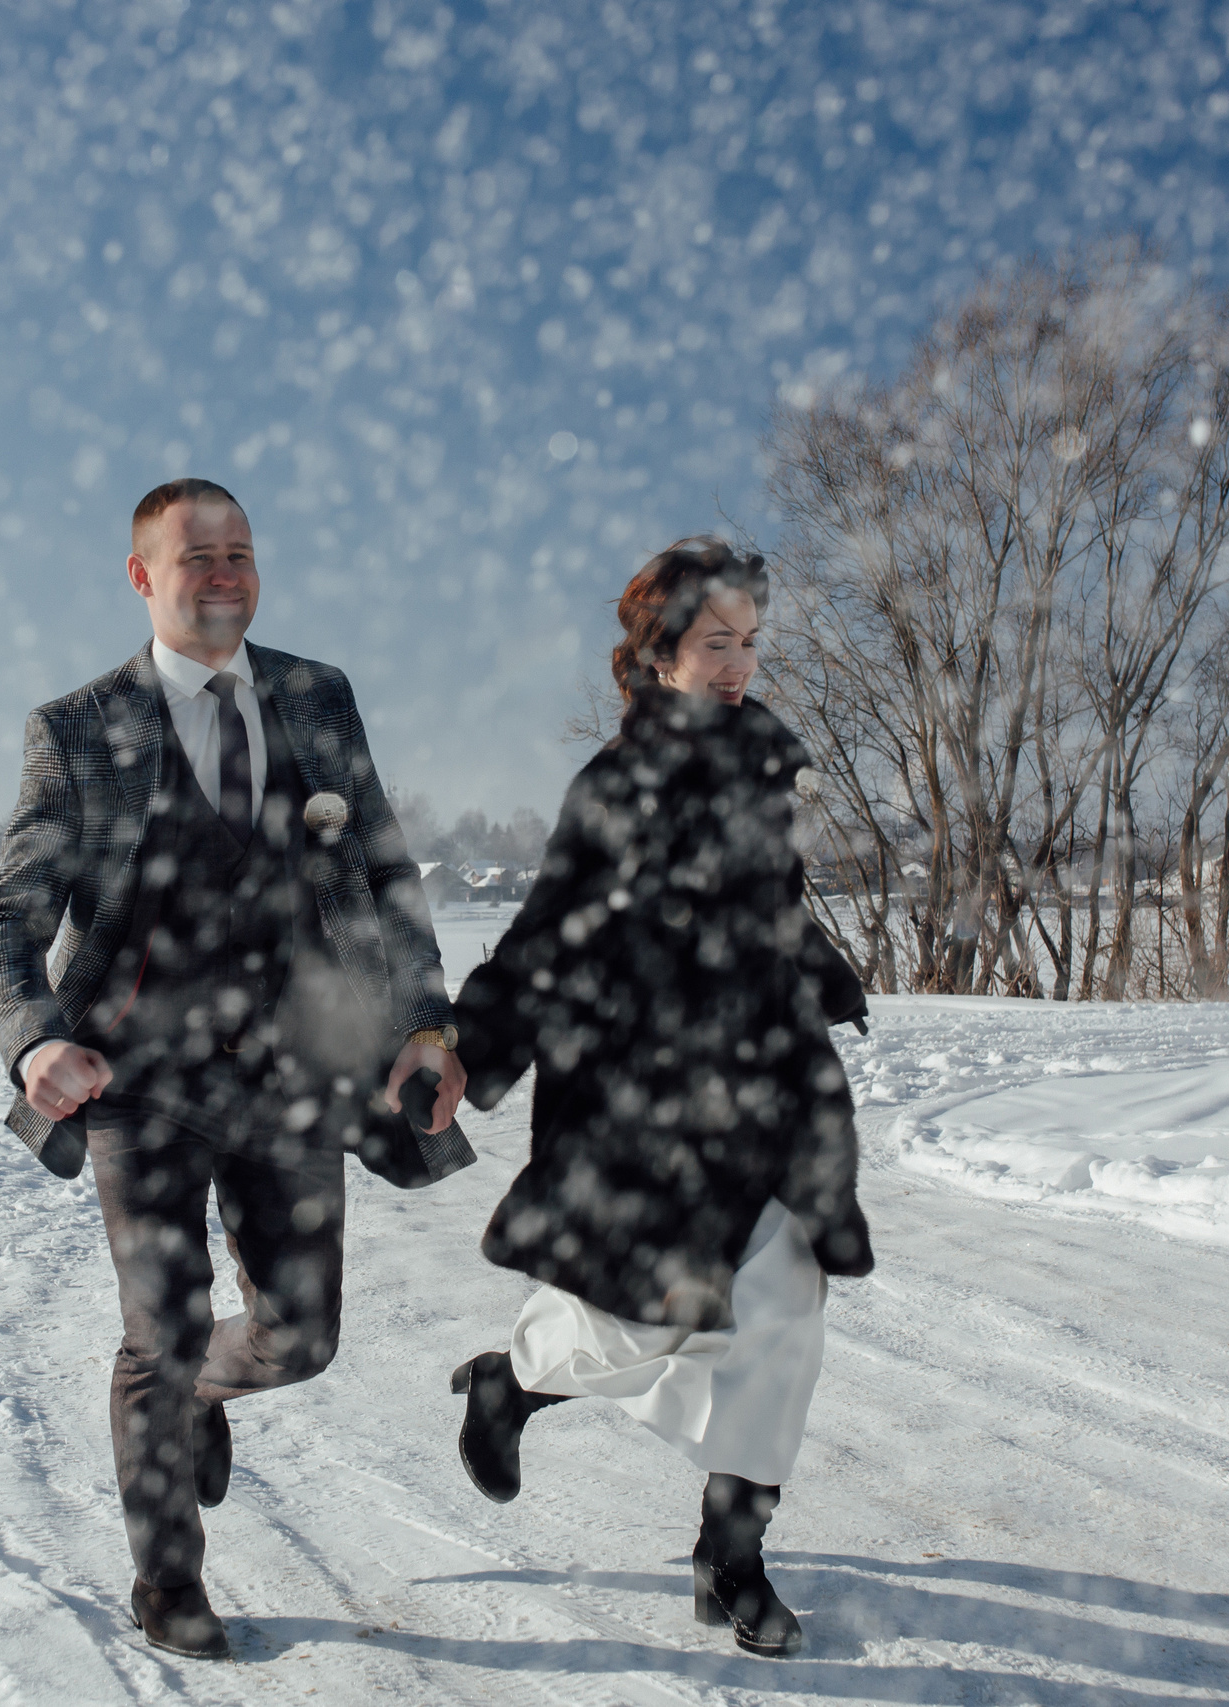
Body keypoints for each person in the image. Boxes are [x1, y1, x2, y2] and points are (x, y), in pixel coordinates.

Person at [0, 478, 473, 1660]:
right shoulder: (79, 727)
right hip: (133, 1080)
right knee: (157, 1328)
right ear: (142, 576)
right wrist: (37, 1036)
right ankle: (167, 1582)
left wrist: (423, 1024)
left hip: (291, 1072)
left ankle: (207, 1390)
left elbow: (386, 876)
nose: (223, 573)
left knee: (300, 1337)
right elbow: (9, 915)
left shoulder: (315, 696)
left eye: (241, 552)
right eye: (195, 556)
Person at [445, 536, 871, 1658]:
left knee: (784, 1320)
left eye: (749, 642)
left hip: (765, 1094)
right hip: (646, 1105)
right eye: (714, 643)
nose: (737, 665)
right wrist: (469, 1047)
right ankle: (512, 1384)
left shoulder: (763, 766)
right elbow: (549, 939)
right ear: (658, 652)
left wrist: (808, 967)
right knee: (630, 1325)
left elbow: (756, 909)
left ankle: (730, 1558)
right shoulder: (617, 786)